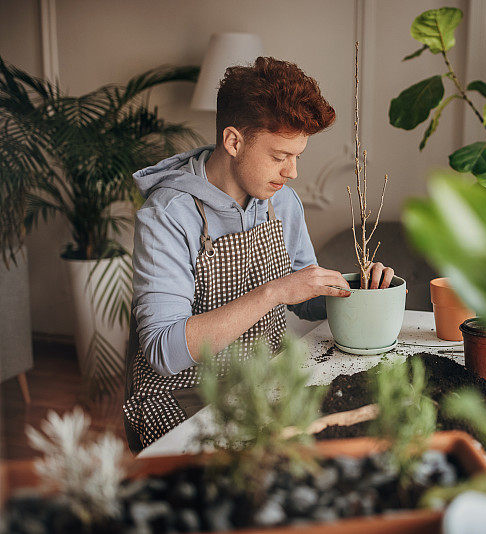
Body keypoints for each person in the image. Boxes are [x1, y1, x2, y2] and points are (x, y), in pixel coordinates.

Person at [122, 57, 395, 451]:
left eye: (297, 156)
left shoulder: (281, 203)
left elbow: (304, 300)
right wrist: (274, 292)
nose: (292, 173)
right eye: (280, 156)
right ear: (234, 141)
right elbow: (165, 351)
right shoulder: (167, 215)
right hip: (183, 397)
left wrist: (359, 286)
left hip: (265, 381)